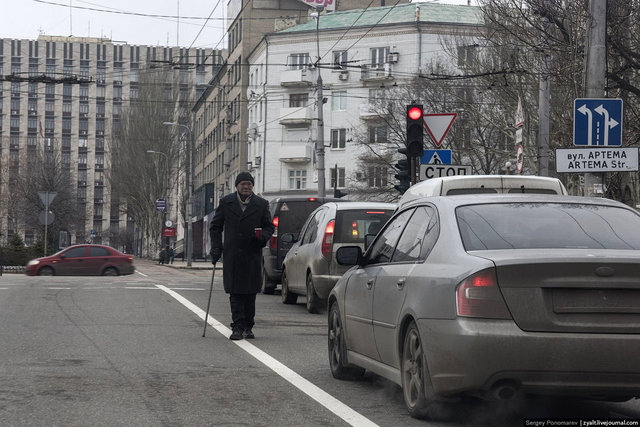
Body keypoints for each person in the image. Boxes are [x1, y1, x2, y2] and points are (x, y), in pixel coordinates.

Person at [209, 171, 274, 340]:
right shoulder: (227, 202)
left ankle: (248, 326)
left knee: (250, 293)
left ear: (253, 186)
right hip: (233, 254)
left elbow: (269, 227)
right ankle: (237, 326)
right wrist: (217, 248)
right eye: (243, 184)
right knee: (236, 292)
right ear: (237, 186)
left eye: (249, 184)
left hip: (252, 253)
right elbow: (215, 227)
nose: (246, 187)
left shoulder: (261, 204)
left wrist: (262, 238)